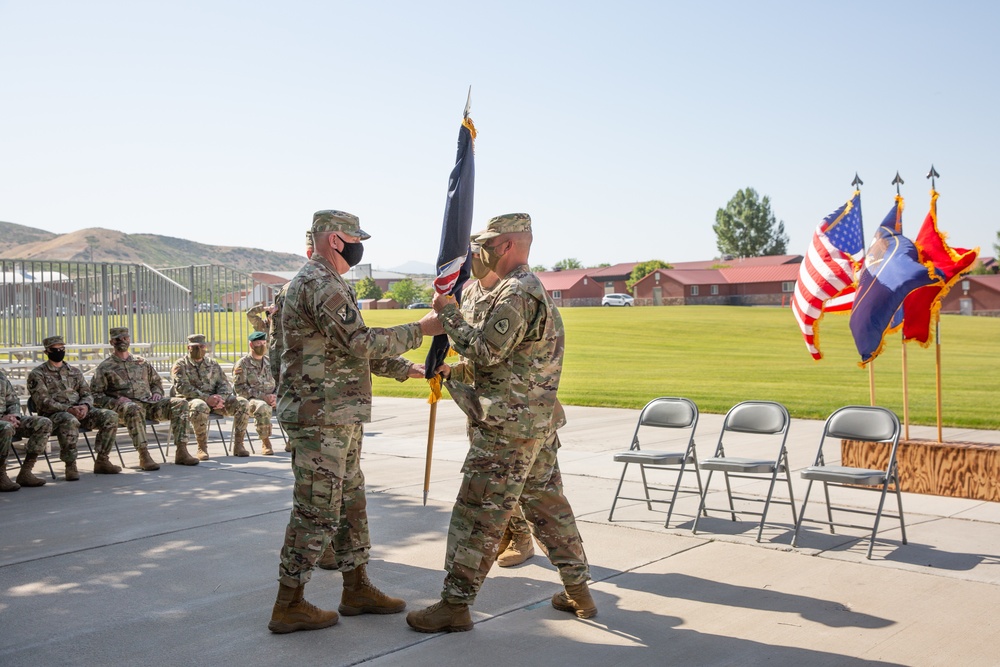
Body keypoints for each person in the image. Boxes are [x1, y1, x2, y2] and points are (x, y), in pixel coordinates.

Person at [407, 213, 595, 633]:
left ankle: (454, 605)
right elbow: (507, 364)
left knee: (477, 513)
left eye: (485, 244)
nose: (477, 252)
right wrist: (453, 374)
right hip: (532, 423)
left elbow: (488, 351)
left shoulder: (517, 291)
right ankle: (578, 592)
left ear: (508, 245)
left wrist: (449, 312)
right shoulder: (521, 289)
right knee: (548, 509)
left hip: (508, 429)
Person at [267, 210, 444, 634]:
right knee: (316, 510)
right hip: (321, 417)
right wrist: (421, 328)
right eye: (354, 238)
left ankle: (357, 588)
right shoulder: (319, 283)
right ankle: (289, 603)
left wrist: (409, 369)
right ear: (333, 240)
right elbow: (361, 343)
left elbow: (344, 353)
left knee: (350, 504)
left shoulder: (323, 282)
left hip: (335, 413)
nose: (360, 246)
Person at [451, 235, 541, 568]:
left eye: (473, 254)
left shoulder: (511, 294)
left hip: (513, 404)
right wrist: (450, 370)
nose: (469, 261)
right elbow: (469, 350)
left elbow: (491, 350)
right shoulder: (470, 294)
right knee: (491, 479)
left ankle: (522, 537)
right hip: (480, 401)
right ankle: (505, 535)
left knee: (510, 480)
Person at [91, 327, 199, 469]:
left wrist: (157, 393)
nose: (122, 341)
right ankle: (144, 455)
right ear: (112, 342)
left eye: (125, 338)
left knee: (180, 403)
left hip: (148, 404)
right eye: (118, 339)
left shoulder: (141, 362)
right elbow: (96, 396)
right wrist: (116, 401)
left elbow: (156, 383)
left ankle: (182, 450)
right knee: (134, 408)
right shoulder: (105, 367)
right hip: (125, 410)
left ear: (129, 339)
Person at [27, 335, 122, 480]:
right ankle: (70, 465)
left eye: (62, 348)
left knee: (110, 416)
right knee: (69, 420)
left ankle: (102, 460)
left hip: (80, 412)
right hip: (55, 416)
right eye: (55, 349)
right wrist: (68, 409)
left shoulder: (74, 371)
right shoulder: (38, 374)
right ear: (46, 352)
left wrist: (84, 406)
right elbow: (43, 401)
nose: (59, 351)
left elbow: (87, 393)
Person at [171, 334, 250, 459]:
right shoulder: (180, 365)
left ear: (206, 347)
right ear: (188, 348)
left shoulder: (212, 363)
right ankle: (202, 447)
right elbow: (182, 387)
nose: (199, 349)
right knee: (200, 405)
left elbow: (225, 384)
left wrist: (220, 398)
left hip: (216, 401)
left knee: (242, 403)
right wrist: (206, 398)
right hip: (191, 401)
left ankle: (239, 445)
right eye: (195, 347)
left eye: (202, 346)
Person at [0, 368, 52, 491]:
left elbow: (13, 402)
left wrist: (14, 416)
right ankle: (1, 474)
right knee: (6, 427)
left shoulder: (1, 377)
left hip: (7, 420)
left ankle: (26, 471)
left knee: (43, 423)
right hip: (3, 423)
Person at [233, 331, 277, 455]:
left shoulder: (269, 362)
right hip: (251, 401)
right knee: (262, 406)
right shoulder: (243, 364)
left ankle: (292, 441)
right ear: (251, 345)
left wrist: (276, 397)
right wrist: (263, 397)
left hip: (272, 398)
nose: (262, 346)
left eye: (264, 343)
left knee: (292, 403)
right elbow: (240, 389)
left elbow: (279, 382)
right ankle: (266, 442)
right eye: (258, 343)